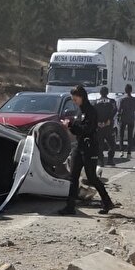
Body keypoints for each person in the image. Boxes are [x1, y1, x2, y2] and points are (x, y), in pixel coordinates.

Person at [57, 84, 116, 216]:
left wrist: (71, 125)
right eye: (73, 99)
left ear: (82, 97)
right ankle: (70, 206)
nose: (74, 101)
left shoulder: (91, 111)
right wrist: (69, 126)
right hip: (79, 146)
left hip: (90, 147)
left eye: (75, 99)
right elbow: (78, 129)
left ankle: (107, 202)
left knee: (92, 177)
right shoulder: (80, 110)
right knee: (73, 177)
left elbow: (87, 129)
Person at [94, 86, 118, 166]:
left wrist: (97, 122)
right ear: (107, 93)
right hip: (108, 126)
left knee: (99, 145)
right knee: (112, 144)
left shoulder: (96, 102)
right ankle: (110, 160)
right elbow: (115, 110)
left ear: (100, 93)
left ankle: (100, 161)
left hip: (99, 126)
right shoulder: (112, 101)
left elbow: (92, 112)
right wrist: (109, 119)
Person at [117, 83, 135, 158]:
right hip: (131, 119)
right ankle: (129, 153)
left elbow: (119, 110)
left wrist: (119, 116)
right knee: (130, 136)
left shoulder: (122, 99)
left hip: (123, 118)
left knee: (121, 136)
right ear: (131, 90)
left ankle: (121, 151)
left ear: (125, 90)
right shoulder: (134, 100)